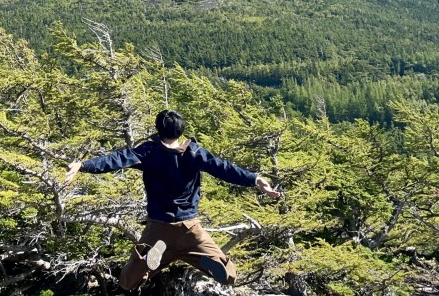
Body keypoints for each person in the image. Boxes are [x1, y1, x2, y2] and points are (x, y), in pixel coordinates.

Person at [65, 109, 280, 290]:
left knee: (128, 282)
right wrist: (256, 179)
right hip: (190, 229)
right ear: (181, 130)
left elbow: (116, 159)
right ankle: (210, 262)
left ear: (158, 130)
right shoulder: (194, 153)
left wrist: (83, 166)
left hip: (158, 228)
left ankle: (147, 262)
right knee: (230, 275)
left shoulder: (149, 152)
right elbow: (224, 168)